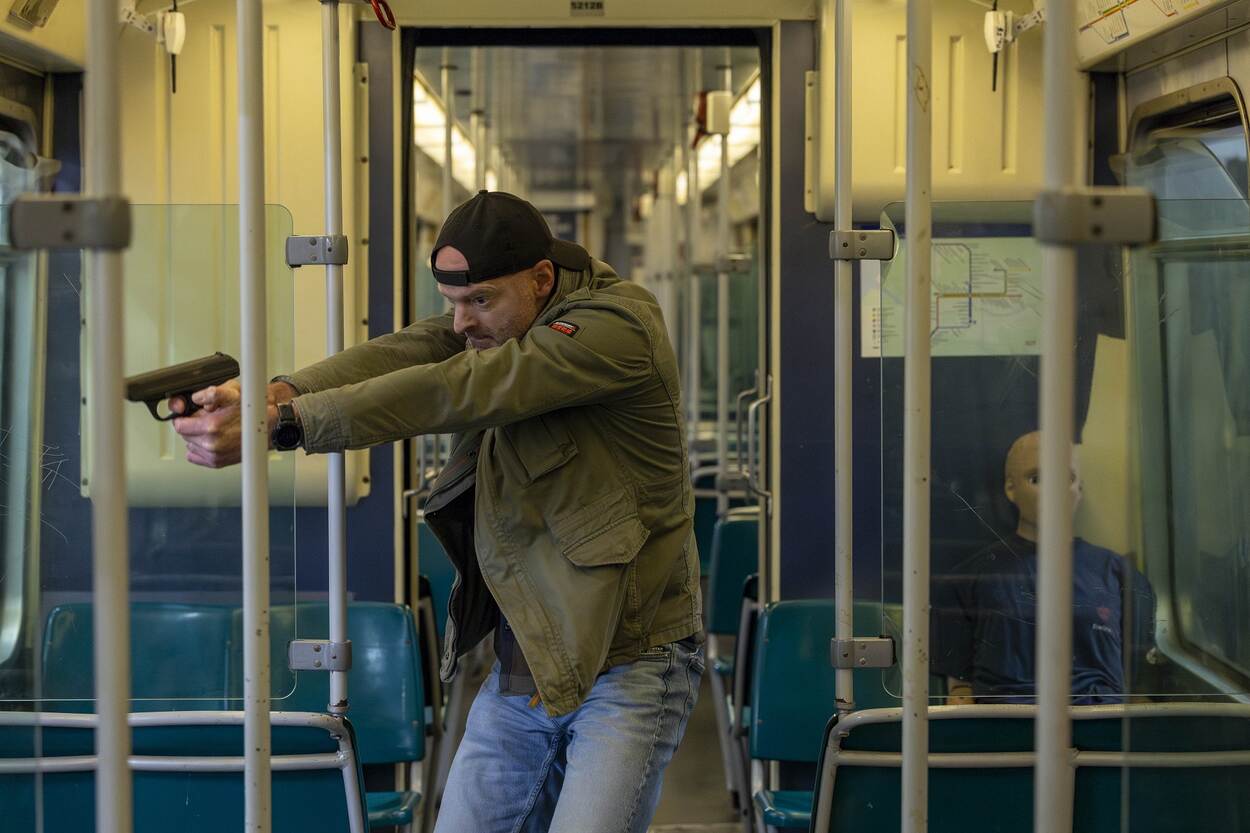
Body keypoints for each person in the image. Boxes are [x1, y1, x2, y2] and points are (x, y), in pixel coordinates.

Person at [172, 191, 705, 832]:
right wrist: (278, 392)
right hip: (530, 654)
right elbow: (414, 351)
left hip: (632, 661)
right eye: (455, 301)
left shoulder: (616, 328)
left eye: (480, 301)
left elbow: (464, 386)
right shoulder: (505, 316)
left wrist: (286, 426)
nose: (460, 323)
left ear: (542, 280)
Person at [932, 431, 1155, 705]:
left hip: (1100, 730)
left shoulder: (1121, 576)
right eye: (1037, 479)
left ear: (1079, 490)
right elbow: (960, 693)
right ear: (1010, 488)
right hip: (1003, 731)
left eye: (1066, 479)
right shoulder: (967, 579)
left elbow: (1138, 688)